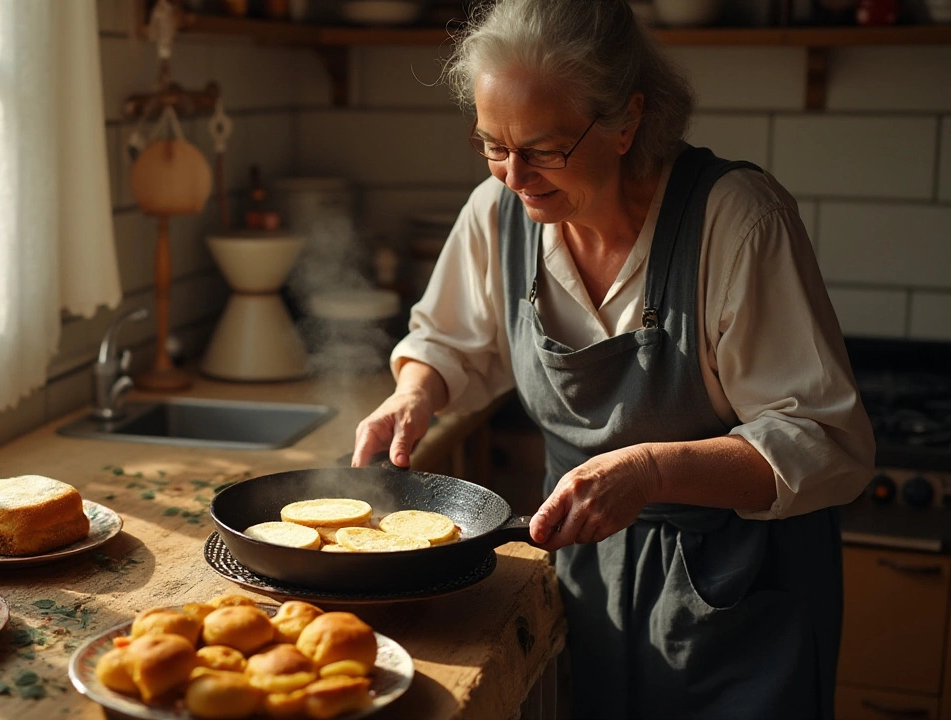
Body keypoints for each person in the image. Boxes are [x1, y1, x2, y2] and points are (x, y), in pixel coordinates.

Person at [350, 1, 875, 717]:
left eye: (543, 148)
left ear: (628, 121)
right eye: (491, 145)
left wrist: (654, 470)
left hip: (739, 596)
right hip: (580, 578)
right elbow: (451, 342)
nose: (514, 175)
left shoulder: (737, 221)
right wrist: (415, 391)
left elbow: (825, 441)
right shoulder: (498, 213)